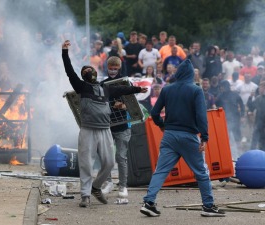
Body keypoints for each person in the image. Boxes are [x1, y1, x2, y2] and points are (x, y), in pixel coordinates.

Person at [61, 40, 148, 208]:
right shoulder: (81, 87)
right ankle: (85, 195)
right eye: (85, 71)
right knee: (86, 163)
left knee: (108, 163)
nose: (88, 71)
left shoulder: (104, 88)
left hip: (104, 130)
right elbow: (69, 71)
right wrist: (65, 52)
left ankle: (95, 187)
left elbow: (123, 90)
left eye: (90, 69)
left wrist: (138, 89)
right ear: (83, 76)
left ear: (94, 72)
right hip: (88, 130)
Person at [140, 59, 226, 217]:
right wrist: (205, 137)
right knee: (201, 172)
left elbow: (153, 113)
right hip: (188, 137)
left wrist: (161, 125)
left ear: (178, 73)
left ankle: (149, 203)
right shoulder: (196, 90)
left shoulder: (167, 89)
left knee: (160, 171)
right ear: (191, 74)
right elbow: (201, 116)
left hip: (169, 136)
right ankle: (208, 207)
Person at [100, 56, 133, 198]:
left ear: (119, 68)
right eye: (110, 68)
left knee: (121, 156)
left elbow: (133, 106)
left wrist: (120, 105)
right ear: (107, 68)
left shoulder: (126, 83)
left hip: (123, 126)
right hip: (107, 126)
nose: (112, 71)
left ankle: (123, 186)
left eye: (115, 68)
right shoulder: (102, 84)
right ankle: (108, 183)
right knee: (106, 157)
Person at [247, 81, 265, 150]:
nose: (259, 89)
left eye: (260, 87)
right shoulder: (258, 98)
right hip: (258, 125)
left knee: (263, 144)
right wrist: (250, 97)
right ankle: (252, 156)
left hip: (263, 126)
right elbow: (251, 107)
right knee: (254, 143)